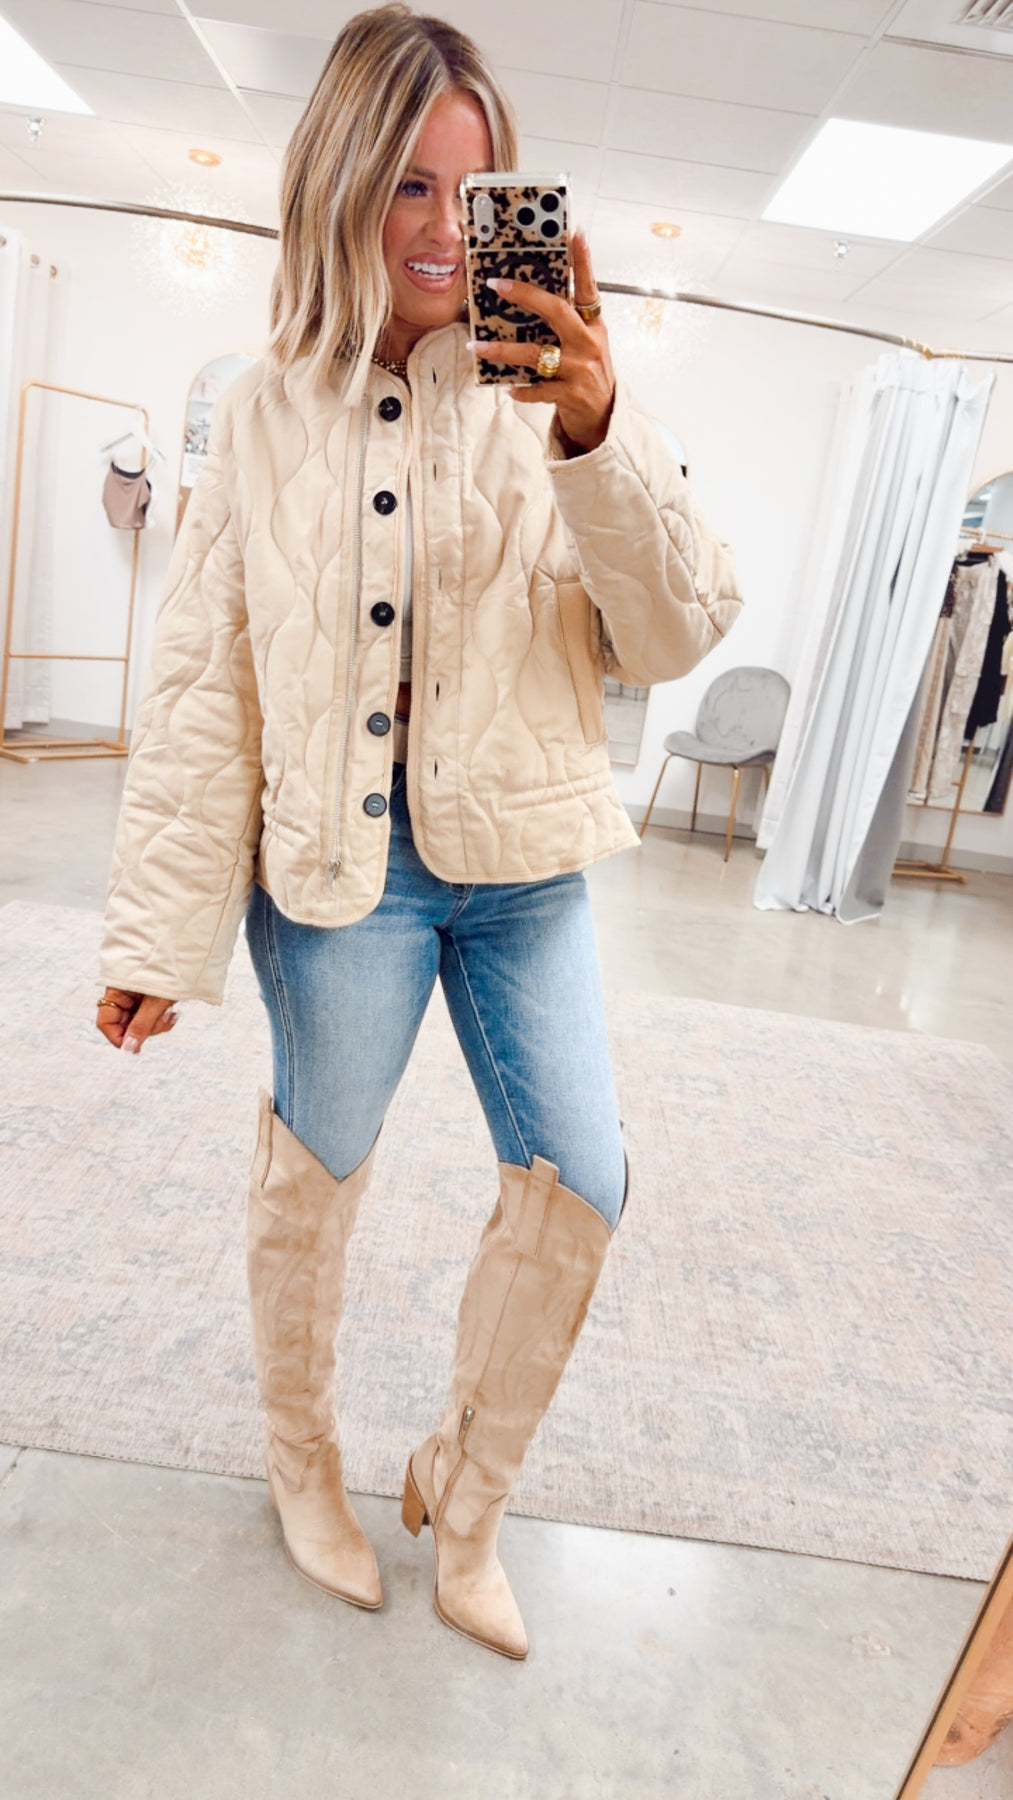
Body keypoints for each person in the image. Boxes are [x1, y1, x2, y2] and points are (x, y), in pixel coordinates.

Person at [96, 4, 741, 1661]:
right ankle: (300, 1459)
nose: (447, 228)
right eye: (406, 185)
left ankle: (468, 1490)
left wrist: (596, 432)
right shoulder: (261, 411)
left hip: (524, 867)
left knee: (582, 1180)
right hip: (336, 873)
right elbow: (205, 688)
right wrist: (158, 939)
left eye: (475, 188)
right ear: (338, 186)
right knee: (315, 1174)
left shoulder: (556, 396)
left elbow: (676, 634)